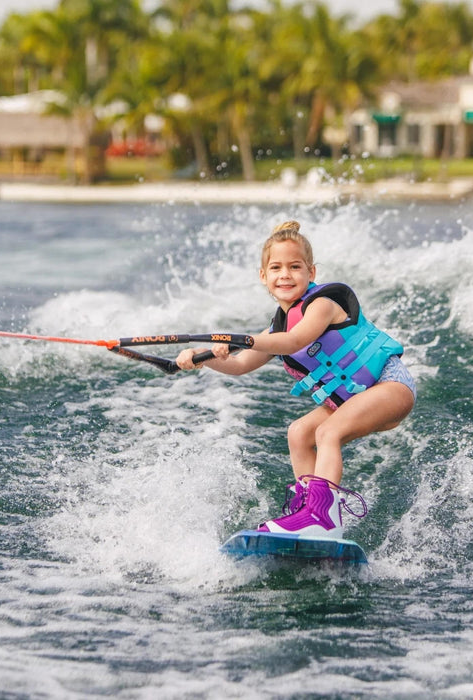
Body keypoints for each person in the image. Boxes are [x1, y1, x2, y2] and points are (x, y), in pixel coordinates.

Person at [176, 220, 416, 539]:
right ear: (263, 276)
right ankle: (305, 515)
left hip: (389, 385)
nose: (285, 274)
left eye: (295, 266)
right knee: (300, 433)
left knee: (327, 432)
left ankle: (322, 518)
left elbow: (293, 342)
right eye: (276, 267)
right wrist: (204, 358)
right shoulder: (275, 328)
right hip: (356, 397)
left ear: (311, 272)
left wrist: (242, 338)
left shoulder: (324, 305)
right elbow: (241, 365)